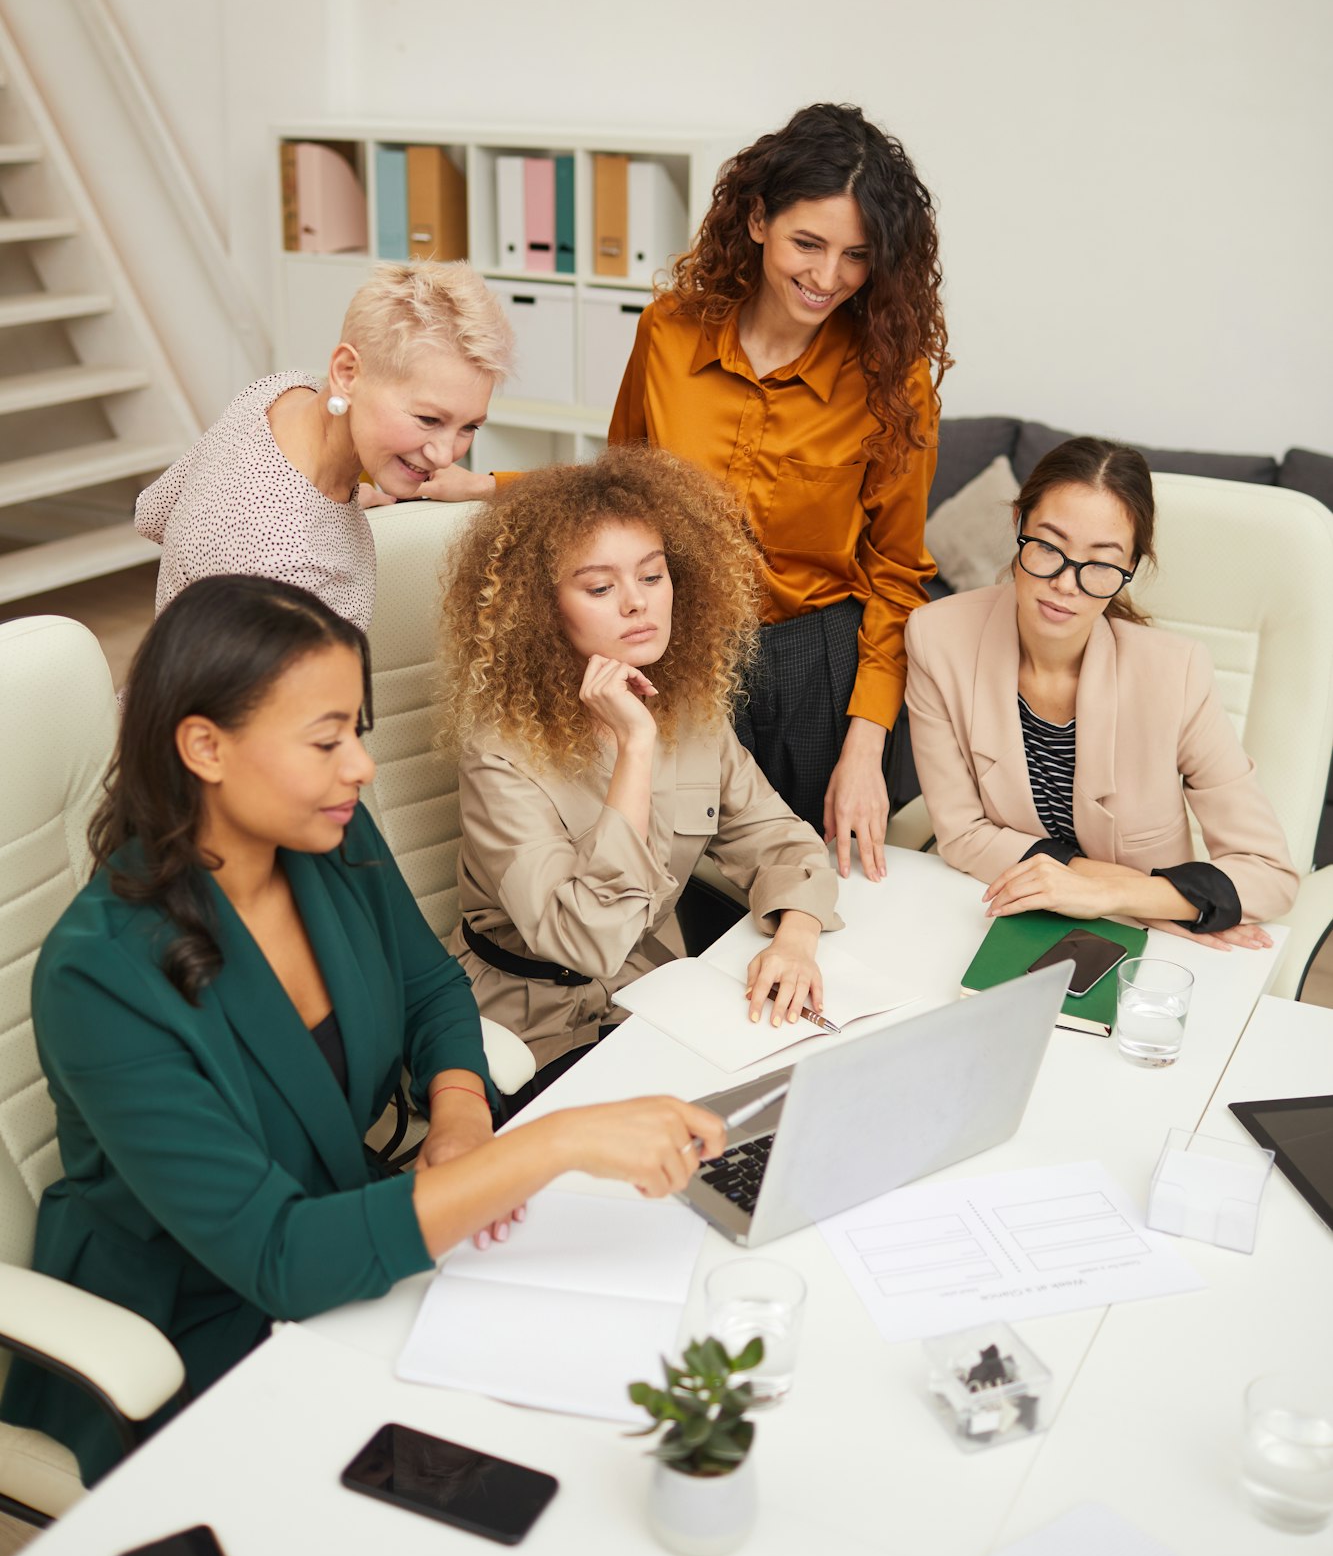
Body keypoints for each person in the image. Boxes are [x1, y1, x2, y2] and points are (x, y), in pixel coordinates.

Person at [0, 578, 724, 1486]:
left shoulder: (326, 840)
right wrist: (557, 1141)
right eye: (326, 739)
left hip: (345, 1224)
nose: (361, 767)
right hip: (190, 1318)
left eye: (357, 730)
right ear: (204, 746)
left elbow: (428, 989)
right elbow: (277, 1256)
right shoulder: (98, 976)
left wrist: (461, 1114)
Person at [428, 104, 951, 884]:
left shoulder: (892, 379)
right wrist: (483, 485)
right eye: (807, 243)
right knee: (675, 886)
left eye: (856, 255)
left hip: (814, 667)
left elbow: (896, 574)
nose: (827, 277)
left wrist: (866, 747)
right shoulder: (669, 332)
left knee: (805, 884)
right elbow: (619, 494)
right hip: (676, 645)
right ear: (755, 220)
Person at [438, 446, 843, 1098]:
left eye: (652, 577)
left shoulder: (690, 712)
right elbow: (585, 940)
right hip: (525, 1027)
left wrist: (794, 939)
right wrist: (635, 746)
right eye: (600, 588)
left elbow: (779, 841)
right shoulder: (499, 752)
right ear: (541, 609)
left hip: (650, 994)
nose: (636, 604)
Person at [903, 438, 1299, 942]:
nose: (1067, 583)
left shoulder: (1176, 673)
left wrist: (1114, 897)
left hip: (1142, 931)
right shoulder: (937, 636)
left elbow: (1270, 874)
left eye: (1101, 563)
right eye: (1048, 546)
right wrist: (1131, 890)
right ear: (1018, 528)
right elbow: (962, 835)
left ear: (1130, 569)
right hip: (994, 905)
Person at [134, 261, 514, 631]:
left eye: (469, 427)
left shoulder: (279, 391)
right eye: (428, 420)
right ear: (346, 373)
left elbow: (151, 512)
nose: (445, 455)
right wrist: (299, 523)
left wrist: (336, 507)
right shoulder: (285, 560)